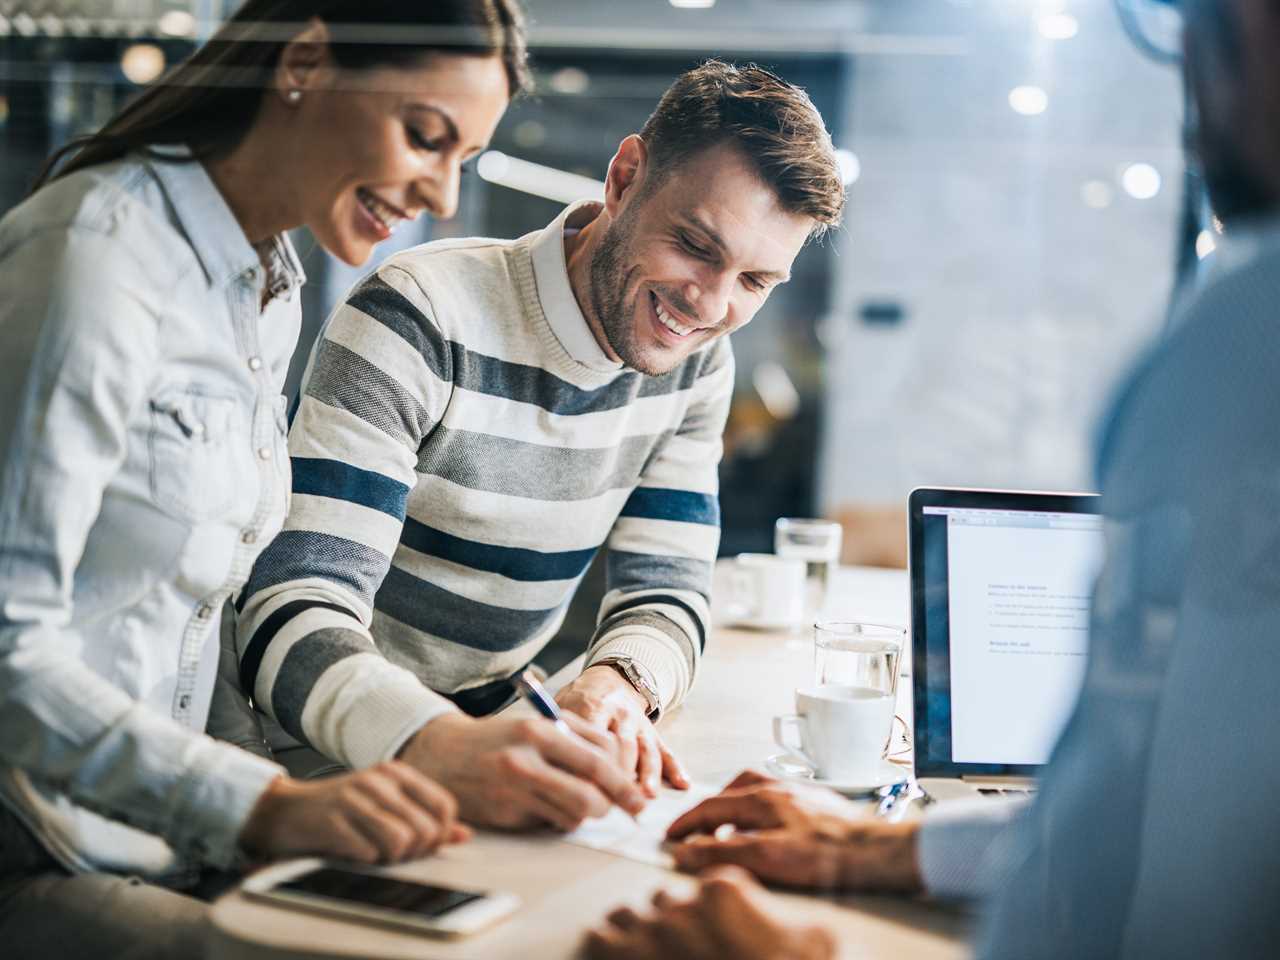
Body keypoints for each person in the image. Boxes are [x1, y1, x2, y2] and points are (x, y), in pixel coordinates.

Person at [584, 1, 1280, 956]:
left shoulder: (1245, 337)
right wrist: (875, 849)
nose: (1195, 72)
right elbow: (1156, 807)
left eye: (1210, 25)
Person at [0, 1, 526, 956]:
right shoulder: (94, 257)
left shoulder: (267, 284)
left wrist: (286, 818)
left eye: (465, 157)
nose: (444, 194)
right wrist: (262, 809)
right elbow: (7, 653)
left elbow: (205, 619)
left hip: (161, 838)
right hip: (36, 843)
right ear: (307, 60)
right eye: (425, 135)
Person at [230, 60, 847, 832]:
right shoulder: (421, 315)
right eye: (695, 245)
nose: (711, 304)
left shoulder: (697, 363)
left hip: (499, 753)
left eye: (755, 281)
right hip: (322, 774)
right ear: (625, 179)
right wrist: (440, 745)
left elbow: (669, 588)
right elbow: (290, 605)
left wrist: (616, 686)